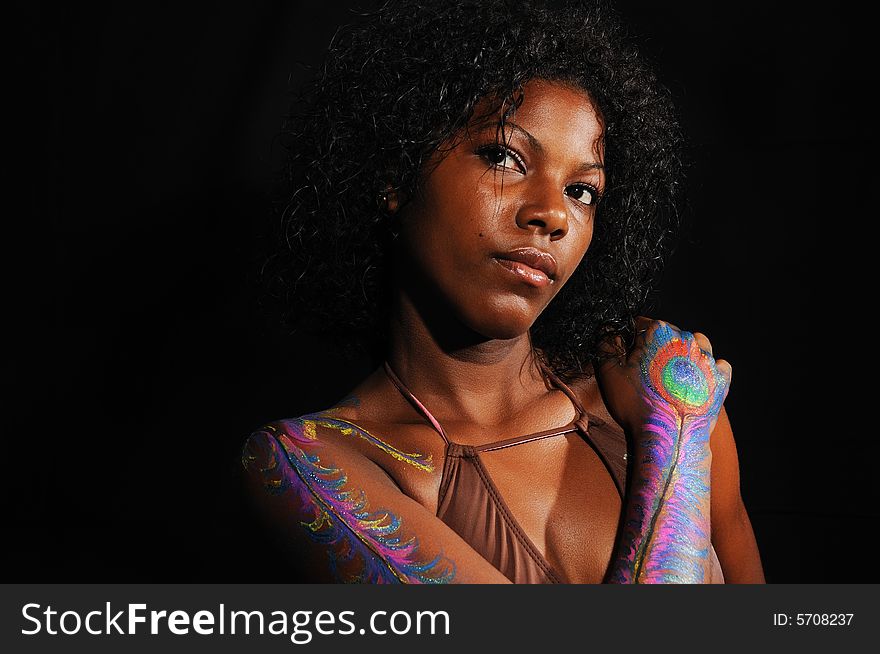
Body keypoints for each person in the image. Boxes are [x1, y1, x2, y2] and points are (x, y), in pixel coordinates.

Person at [241, 0, 765, 584]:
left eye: (582, 191)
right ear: (396, 174)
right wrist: (677, 445)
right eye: (504, 157)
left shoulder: (655, 390)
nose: (552, 215)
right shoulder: (313, 465)